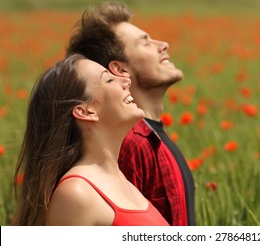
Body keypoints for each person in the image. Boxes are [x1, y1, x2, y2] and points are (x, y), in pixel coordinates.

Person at [65, 1, 195, 226]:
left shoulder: (150, 136)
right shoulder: (130, 144)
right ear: (120, 70)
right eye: (146, 43)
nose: (163, 44)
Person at [13, 54, 169, 226]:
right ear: (86, 111)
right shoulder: (76, 194)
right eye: (109, 80)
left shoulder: (124, 182)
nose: (126, 80)